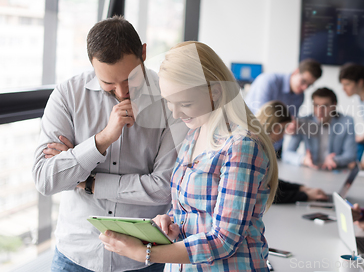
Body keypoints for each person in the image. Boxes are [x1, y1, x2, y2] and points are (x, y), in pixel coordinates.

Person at [99, 41, 279, 271]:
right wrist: (170, 221)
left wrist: (143, 253)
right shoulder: (194, 135)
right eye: (170, 103)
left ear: (214, 92)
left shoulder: (241, 145)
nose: (175, 113)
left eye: (185, 103)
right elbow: (189, 209)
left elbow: (225, 239)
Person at [32, 16, 186, 272]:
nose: (121, 92)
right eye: (108, 83)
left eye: (129, 80)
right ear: (92, 64)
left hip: (143, 259)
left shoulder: (169, 98)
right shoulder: (68, 95)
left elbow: (165, 187)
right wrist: (101, 140)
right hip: (75, 256)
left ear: (144, 53)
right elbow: (46, 179)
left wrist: (88, 181)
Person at [245, 58, 323, 154]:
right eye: (303, 81)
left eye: (309, 85)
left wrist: (291, 126)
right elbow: (263, 120)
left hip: (275, 146)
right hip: (253, 143)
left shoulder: (300, 96)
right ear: (296, 72)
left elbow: (289, 121)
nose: (304, 88)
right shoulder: (268, 82)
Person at [256, 100, 328, 203]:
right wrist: (305, 195)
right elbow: (266, 193)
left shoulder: (263, 147)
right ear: (269, 125)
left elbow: (269, 181)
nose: (282, 135)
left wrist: (301, 188)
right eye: (280, 129)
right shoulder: (256, 151)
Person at [283, 87, 357, 170]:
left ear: (334, 105)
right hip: (310, 171)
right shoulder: (303, 122)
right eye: (316, 105)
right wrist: (303, 159)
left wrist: (335, 160)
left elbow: (350, 155)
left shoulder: (346, 121)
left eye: (325, 106)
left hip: (334, 172)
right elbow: (286, 154)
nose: (320, 110)